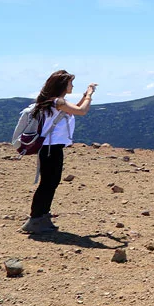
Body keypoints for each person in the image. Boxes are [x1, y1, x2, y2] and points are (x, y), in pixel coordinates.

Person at [21, 70, 97, 234]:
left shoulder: (55, 102)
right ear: (63, 85)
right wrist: (90, 95)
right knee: (48, 184)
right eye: (70, 83)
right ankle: (35, 219)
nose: (72, 85)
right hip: (50, 148)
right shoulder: (57, 101)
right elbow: (82, 111)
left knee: (50, 183)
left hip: (51, 148)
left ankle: (42, 218)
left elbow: (75, 108)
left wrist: (84, 96)